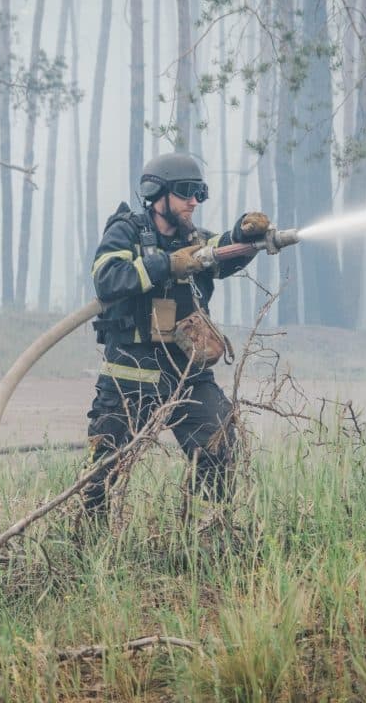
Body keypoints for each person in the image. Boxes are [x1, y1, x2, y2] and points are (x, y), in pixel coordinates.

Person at [83, 152, 270, 518]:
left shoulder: (195, 240)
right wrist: (166, 264)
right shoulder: (126, 231)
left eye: (200, 192)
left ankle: (203, 537)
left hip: (187, 373)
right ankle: (87, 543)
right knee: (104, 471)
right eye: (186, 192)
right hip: (131, 375)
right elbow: (107, 278)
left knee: (219, 444)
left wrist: (245, 234)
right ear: (157, 192)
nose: (194, 201)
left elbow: (222, 250)